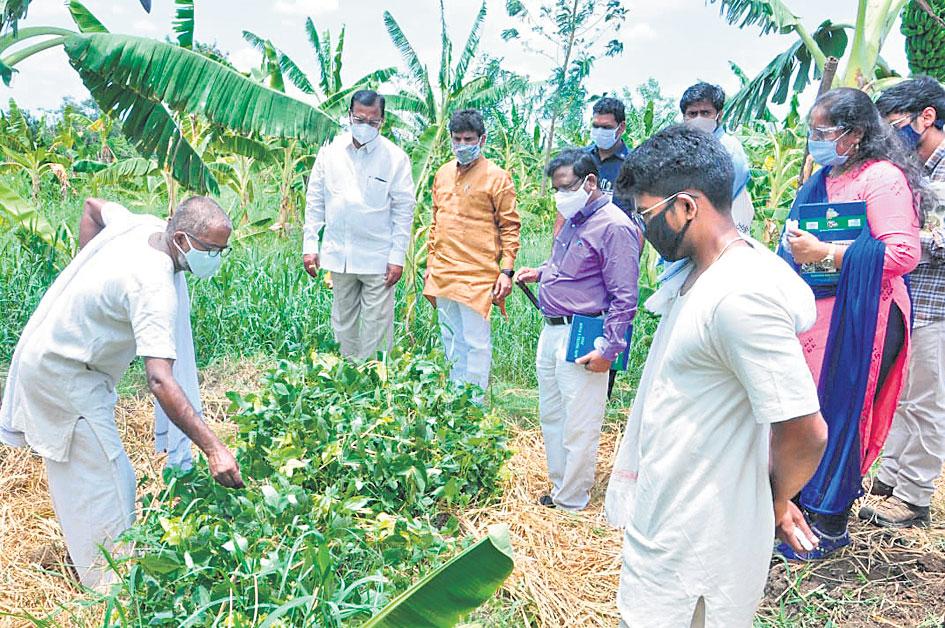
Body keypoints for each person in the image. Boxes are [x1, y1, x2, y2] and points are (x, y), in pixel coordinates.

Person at [605, 125, 828, 626]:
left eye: (647, 214)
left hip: (698, 551)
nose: (644, 229)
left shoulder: (740, 295)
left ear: (686, 207)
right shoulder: (700, 274)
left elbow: (805, 431)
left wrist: (772, 497)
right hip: (668, 525)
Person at [0, 196, 244, 589]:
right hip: (64, 375)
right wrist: (214, 448)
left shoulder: (141, 224)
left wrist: (83, 277)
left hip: (59, 356)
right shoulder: (154, 287)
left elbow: (93, 207)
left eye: (223, 250)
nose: (217, 258)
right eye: (212, 250)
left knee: (86, 474)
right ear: (181, 238)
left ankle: (92, 562)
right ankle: (109, 593)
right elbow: (160, 380)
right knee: (112, 484)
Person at [778, 88, 924, 557]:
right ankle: (792, 510)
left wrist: (828, 253)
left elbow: (904, 251)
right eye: (812, 131)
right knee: (805, 411)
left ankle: (828, 522)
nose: (814, 140)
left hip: (865, 317)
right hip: (815, 313)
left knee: (843, 414)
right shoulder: (822, 177)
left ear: (855, 134)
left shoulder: (881, 178)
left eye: (824, 132)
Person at [514, 148, 641, 511]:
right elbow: (568, 264)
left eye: (566, 187)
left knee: (580, 421)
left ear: (589, 182)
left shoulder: (615, 226)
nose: (560, 196)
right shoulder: (574, 220)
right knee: (552, 414)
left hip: (584, 332)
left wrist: (610, 350)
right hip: (552, 327)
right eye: (555, 189)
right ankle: (559, 488)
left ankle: (573, 499)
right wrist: (540, 272)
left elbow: (624, 295)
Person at [860, 77, 945, 527]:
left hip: (938, 305)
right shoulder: (912, 170)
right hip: (910, 301)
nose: (891, 138)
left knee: (928, 403)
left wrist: (900, 241)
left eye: (896, 126)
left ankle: (915, 497)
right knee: (902, 395)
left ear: (926, 117)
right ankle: (889, 480)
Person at [303, 89, 416, 360]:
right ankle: (345, 381)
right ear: (349, 116)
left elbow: (403, 211)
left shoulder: (395, 158)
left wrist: (397, 256)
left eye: (372, 121)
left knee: (377, 327)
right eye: (359, 119)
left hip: (378, 258)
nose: (365, 126)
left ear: (382, 121)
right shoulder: (330, 152)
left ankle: (375, 386)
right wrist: (310, 245)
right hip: (338, 254)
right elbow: (315, 200)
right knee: (342, 322)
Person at [423, 109, 521, 398]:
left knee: (476, 343)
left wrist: (506, 271)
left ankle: (474, 405)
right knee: (451, 339)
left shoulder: (497, 178)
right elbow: (435, 221)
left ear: (483, 139)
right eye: (457, 139)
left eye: (469, 139)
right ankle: (456, 401)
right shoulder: (442, 174)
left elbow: (510, 227)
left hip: (478, 275)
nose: (463, 145)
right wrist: (430, 262)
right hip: (443, 272)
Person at [680, 81, 754, 235]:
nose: (698, 118)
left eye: (705, 113)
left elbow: (717, 203)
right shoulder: (684, 149)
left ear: (719, 115)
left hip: (721, 236)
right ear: (684, 117)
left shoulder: (729, 149)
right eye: (692, 114)